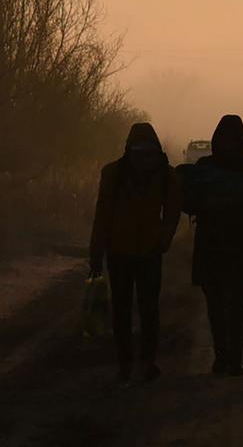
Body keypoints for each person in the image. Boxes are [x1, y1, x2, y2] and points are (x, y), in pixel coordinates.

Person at [89, 121, 182, 383]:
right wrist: (163, 241)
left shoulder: (115, 172)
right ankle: (144, 363)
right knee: (147, 309)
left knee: (124, 310)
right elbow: (173, 213)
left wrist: (96, 251)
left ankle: (127, 364)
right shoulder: (165, 173)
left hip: (122, 250)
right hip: (142, 250)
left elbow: (102, 215)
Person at [188, 114, 243, 376]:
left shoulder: (206, 167)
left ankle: (230, 358)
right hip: (228, 242)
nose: (228, 144)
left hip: (226, 242)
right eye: (226, 139)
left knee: (234, 304)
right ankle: (225, 356)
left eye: (232, 139)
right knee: (221, 304)